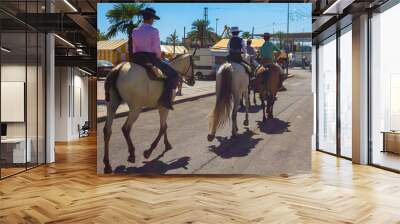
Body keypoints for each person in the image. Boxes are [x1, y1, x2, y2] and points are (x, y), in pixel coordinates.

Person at [131, 8, 179, 110]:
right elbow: (156, 48)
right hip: (150, 57)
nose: (153, 21)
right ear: (151, 19)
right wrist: (158, 57)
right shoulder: (154, 30)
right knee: (174, 75)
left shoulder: (135, 31)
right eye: (153, 19)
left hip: (136, 58)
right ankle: (166, 100)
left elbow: (134, 47)